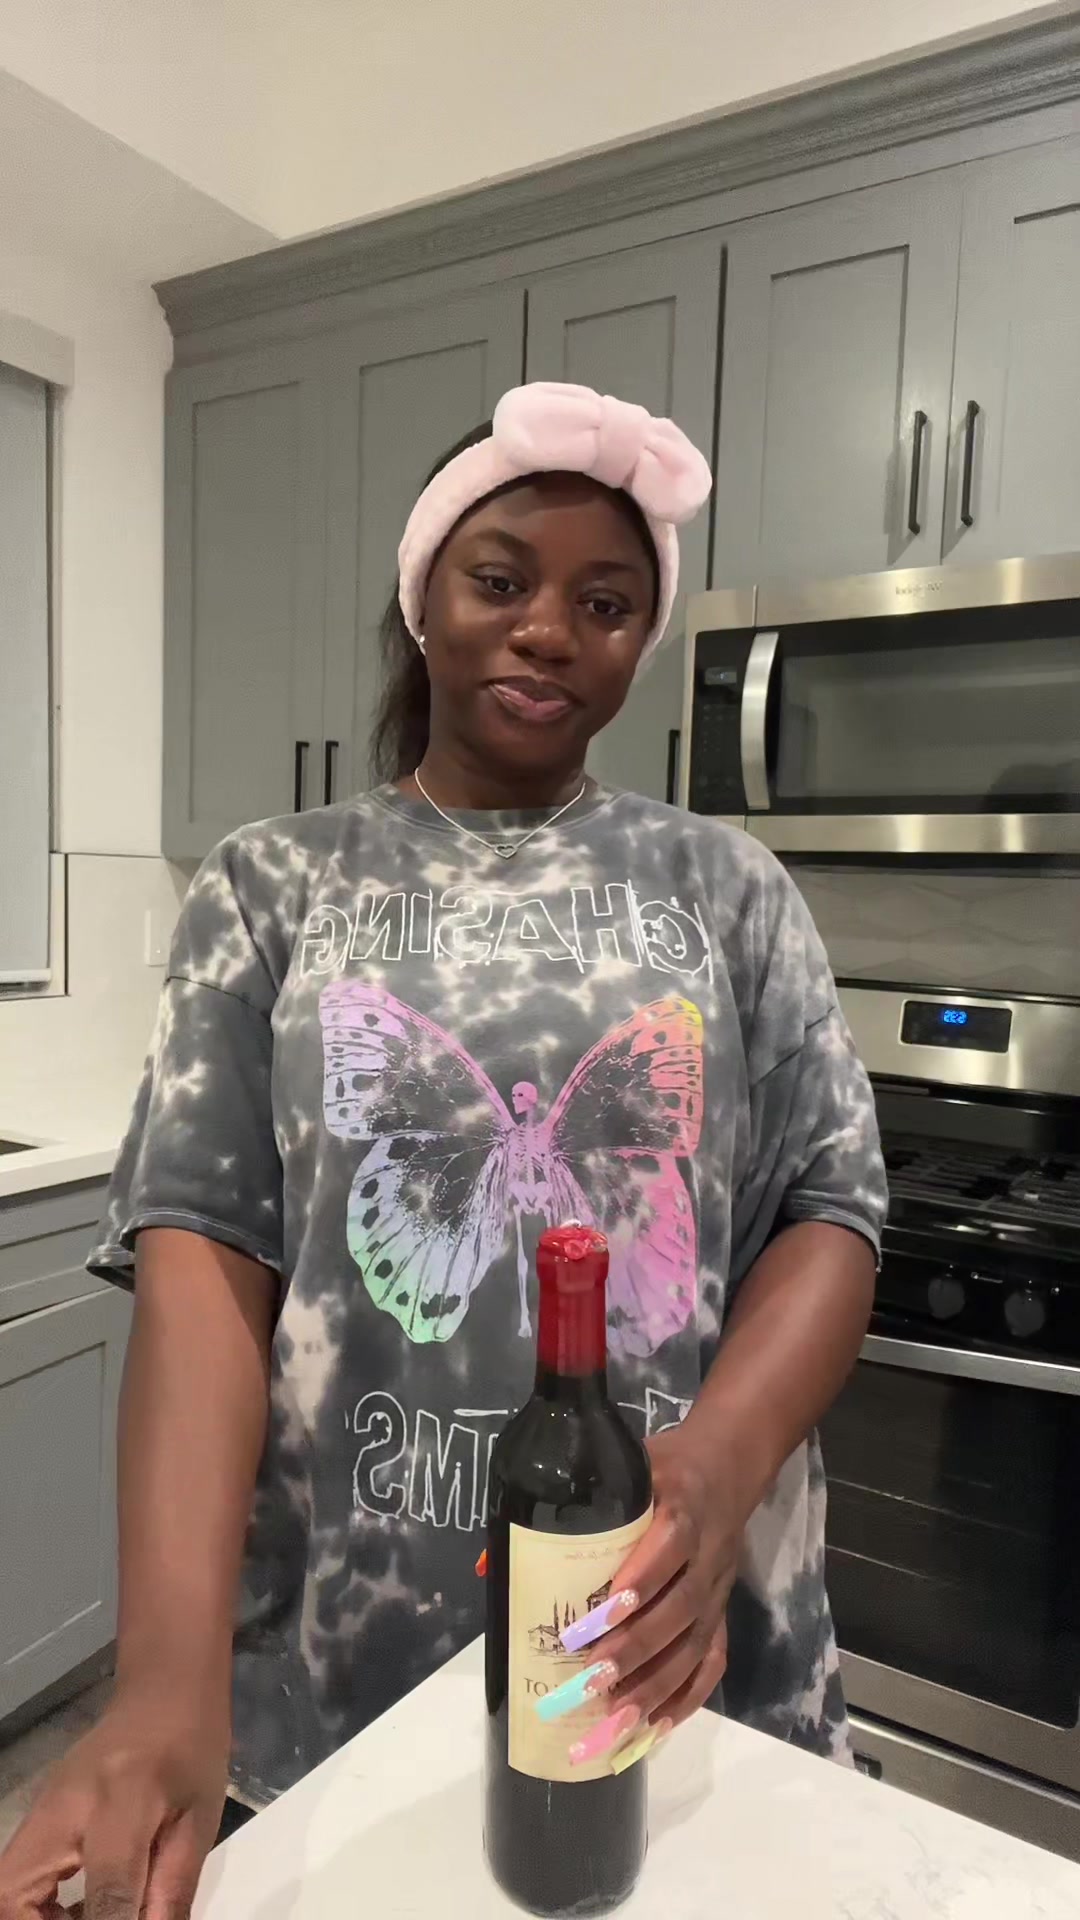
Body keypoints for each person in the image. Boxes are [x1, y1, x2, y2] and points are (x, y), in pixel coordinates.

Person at [0, 381, 886, 1918]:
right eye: (501, 579)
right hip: (338, 1670)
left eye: (605, 603)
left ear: (641, 639)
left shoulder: (728, 887)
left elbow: (830, 1209)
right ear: (423, 598)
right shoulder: (273, 887)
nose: (549, 630)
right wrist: (162, 1682)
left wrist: (718, 1465)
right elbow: (204, 1266)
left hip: (663, 1651)